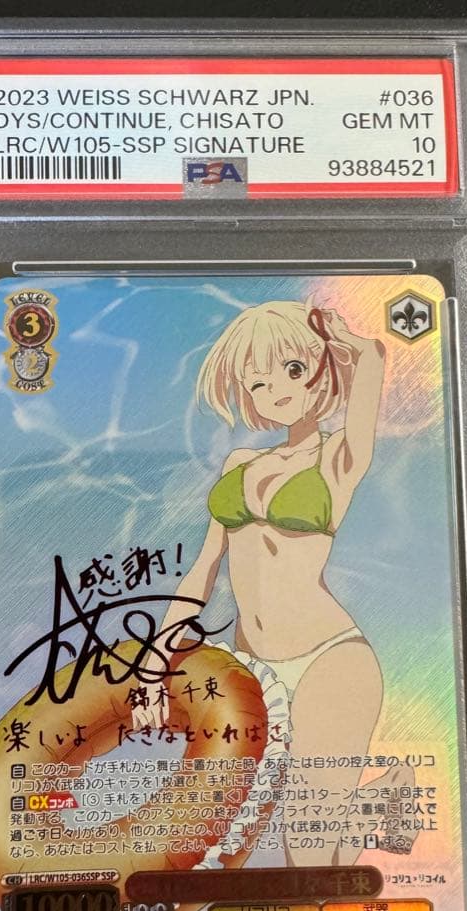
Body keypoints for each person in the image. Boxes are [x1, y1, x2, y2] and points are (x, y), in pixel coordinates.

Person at [132, 299, 405, 866]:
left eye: (292, 369)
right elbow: (203, 570)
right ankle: (379, 801)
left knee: (306, 852)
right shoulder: (239, 463)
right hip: (254, 667)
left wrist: (351, 344)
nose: (275, 390)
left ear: (320, 368)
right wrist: (154, 662)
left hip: (328, 659)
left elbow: (372, 364)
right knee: (291, 842)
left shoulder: (339, 458)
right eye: (257, 382)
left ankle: (375, 804)